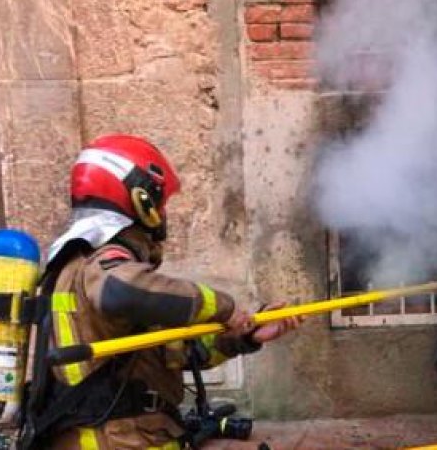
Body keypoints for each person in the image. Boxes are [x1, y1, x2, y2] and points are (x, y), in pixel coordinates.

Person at [22, 134, 301, 450]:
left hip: (124, 434)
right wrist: (224, 307)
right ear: (142, 199)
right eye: (162, 202)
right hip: (116, 439)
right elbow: (121, 292)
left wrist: (245, 336)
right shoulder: (103, 263)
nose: (165, 213)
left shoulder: (83, 263)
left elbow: (170, 352)